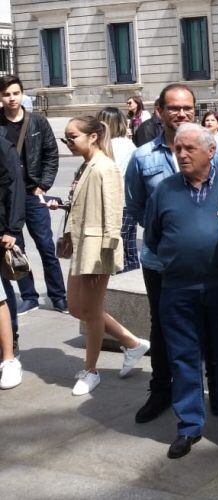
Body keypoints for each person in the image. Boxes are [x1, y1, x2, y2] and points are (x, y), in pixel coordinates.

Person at [126, 84, 218, 423]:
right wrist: (175, 232)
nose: (182, 113)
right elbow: (137, 205)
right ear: (160, 111)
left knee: (214, 332)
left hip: (211, 265)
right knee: (163, 328)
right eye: (174, 107)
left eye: (188, 107)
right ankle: (161, 391)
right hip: (161, 262)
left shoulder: (215, 151)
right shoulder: (143, 156)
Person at [143, 123, 218, 459]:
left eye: (190, 148)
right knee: (183, 358)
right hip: (178, 288)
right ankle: (188, 426)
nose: (183, 154)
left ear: (211, 151)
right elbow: (153, 238)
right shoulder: (165, 190)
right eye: (178, 149)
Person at [56, 116, 149, 396]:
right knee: (76, 308)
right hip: (83, 245)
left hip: (97, 249)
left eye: (72, 137)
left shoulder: (104, 167)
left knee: (91, 312)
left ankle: (91, 370)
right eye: (66, 138)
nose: (68, 143)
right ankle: (132, 343)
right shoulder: (87, 165)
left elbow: (113, 213)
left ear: (93, 136)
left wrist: (107, 251)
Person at [0, 76, 66, 316]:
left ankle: (58, 296)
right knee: (16, 248)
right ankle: (29, 296)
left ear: (22, 94)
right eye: (7, 94)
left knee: (46, 246)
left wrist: (43, 186)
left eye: (15, 93)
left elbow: (51, 154)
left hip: (32, 194)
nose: (12, 98)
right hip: (7, 199)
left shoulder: (37, 122)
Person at [95, 107, 140, 274]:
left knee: (116, 246)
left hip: (115, 203)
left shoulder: (110, 146)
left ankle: (121, 280)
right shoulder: (129, 145)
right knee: (128, 244)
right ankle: (130, 275)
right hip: (128, 202)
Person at [0, 134, 24, 389]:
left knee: (1, 295)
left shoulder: (2, 145)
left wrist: (12, 228)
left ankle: (9, 356)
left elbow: (14, 185)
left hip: (2, 229)